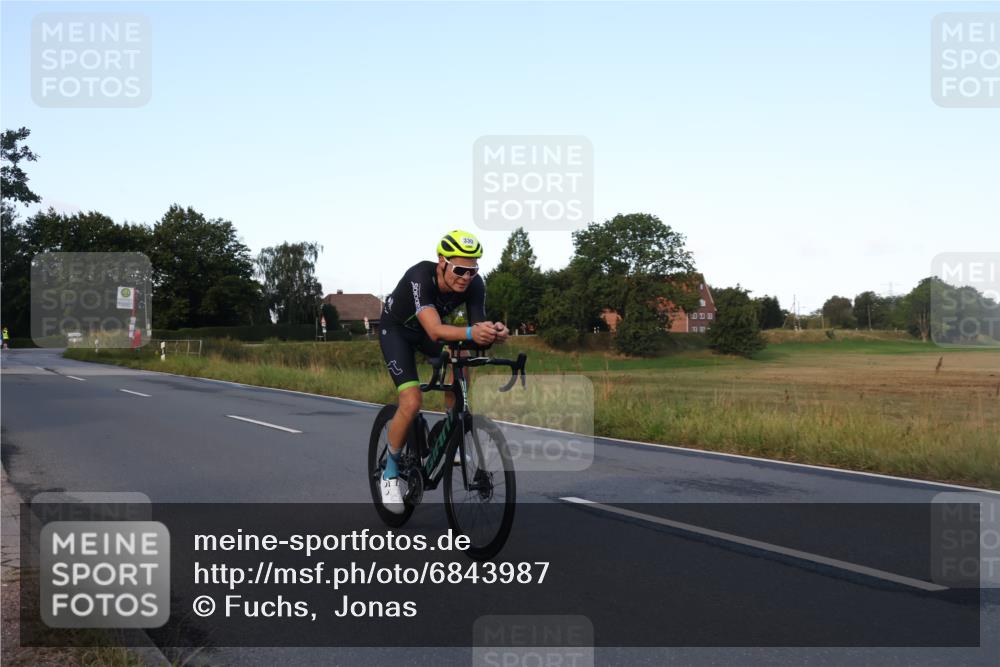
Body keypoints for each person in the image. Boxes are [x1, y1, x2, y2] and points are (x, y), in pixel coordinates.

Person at [378, 230, 509, 512]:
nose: (466, 277)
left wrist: (493, 332)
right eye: (460, 269)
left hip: (427, 333)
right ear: (442, 261)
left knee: (461, 351)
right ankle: (389, 473)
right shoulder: (420, 276)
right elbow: (436, 330)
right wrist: (473, 331)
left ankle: (453, 424)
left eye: (472, 271)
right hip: (397, 331)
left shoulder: (475, 285)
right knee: (412, 401)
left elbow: (475, 330)